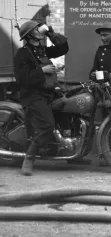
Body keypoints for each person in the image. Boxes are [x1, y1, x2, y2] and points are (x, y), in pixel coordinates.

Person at [14, 21, 69, 176]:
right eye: (36, 29)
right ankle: (29, 157)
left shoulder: (42, 50)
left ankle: (67, 150)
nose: (39, 30)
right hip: (33, 95)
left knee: (68, 107)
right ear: (30, 35)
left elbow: (63, 48)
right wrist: (42, 70)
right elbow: (22, 79)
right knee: (47, 126)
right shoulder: (22, 54)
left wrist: (50, 33)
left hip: (49, 93)